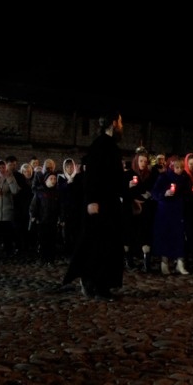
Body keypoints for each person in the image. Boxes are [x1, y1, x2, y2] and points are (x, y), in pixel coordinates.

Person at [63, 111, 126, 299]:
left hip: (110, 203)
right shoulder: (100, 146)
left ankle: (97, 283)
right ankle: (98, 285)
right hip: (101, 204)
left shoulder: (111, 146)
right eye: (120, 122)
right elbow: (92, 176)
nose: (122, 126)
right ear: (113, 123)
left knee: (105, 244)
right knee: (100, 245)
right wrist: (92, 200)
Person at [151, 155, 191, 275]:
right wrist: (165, 193)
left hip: (179, 210)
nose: (179, 170)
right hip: (165, 211)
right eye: (177, 167)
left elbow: (187, 192)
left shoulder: (185, 178)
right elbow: (155, 192)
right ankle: (164, 262)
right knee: (165, 236)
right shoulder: (164, 177)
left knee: (179, 236)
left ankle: (180, 263)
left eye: (181, 168)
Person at [30, 172, 62, 265]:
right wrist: (34, 216)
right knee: (43, 240)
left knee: (52, 241)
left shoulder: (57, 192)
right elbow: (34, 205)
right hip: (42, 220)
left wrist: (62, 218)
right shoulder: (40, 192)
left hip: (53, 220)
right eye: (51, 179)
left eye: (54, 179)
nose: (53, 181)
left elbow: (61, 206)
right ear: (46, 180)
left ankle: (51, 259)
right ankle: (43, 258)